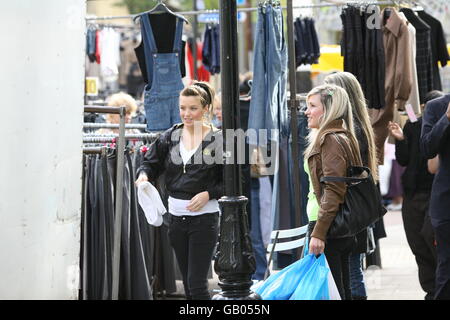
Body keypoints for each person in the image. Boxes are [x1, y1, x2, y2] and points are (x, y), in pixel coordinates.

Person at [135, 81, 223, 300]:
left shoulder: (219, 139)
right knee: (187, 282)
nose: (186, 113)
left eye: (193, 108)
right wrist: (144, 175)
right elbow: (149, 163)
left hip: (204, 220)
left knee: (197, 284)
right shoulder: (170, 136)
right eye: (183, 108)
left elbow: (234, 182)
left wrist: (208, 194)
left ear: (205, 109)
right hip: (176, 220)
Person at [304, 84, 362, 300]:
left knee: (331, 293)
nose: (306, 111)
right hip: (337, 225)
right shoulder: (342, 136)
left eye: (312, 106)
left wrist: (318, 233)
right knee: (341, 291)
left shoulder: (330, 140)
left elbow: (334, 188)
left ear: (328, 109)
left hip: (327, 225)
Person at [324, 71, 378, 300]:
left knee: (352, 272)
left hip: (348, 209)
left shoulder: (348, 131)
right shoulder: (357, 127)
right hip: (355, 208)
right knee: (352, 270)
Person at [388, 90, 443, 300]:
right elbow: (403, 160)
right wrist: (401, 140)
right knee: (417, 244)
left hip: (434, 194)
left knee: (433, 240)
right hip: (412, 195)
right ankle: (431, 290)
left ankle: (440, 288)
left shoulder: (443, 128)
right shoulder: (413, 124)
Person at [420, 91, 450, 300]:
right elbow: (427, 148)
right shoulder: (436, 107)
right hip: (446, 202)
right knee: (446, 268)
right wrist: (446, 118)